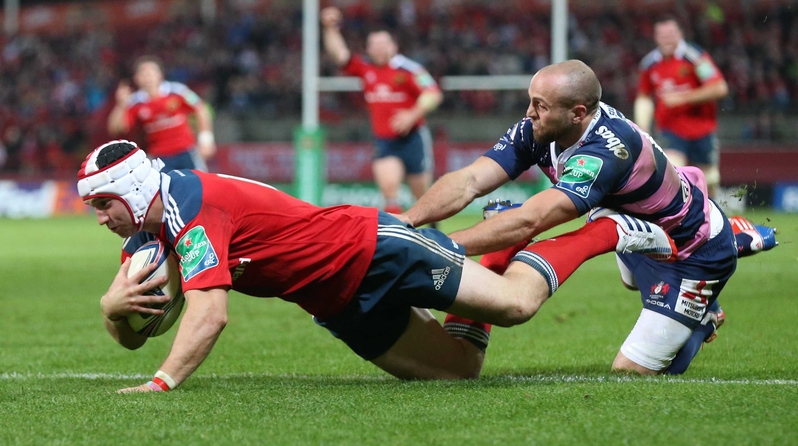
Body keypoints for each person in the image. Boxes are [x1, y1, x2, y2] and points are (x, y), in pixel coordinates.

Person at [78, 140, 676, 392]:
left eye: (103, 203)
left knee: (516, 305)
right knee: (460, 372)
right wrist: (111, 309)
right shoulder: (151, 231)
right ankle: (495, 251)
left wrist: (164, 384)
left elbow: (209, 315)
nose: (100, 217)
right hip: (337, 303)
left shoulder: (191, 207)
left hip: (374, 250)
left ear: (132, 189)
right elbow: (129, 333)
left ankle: (607, 231)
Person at [401, 60, 739, 375]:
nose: (528, 113)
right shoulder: (538, 129)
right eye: (532, 101)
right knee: (628, 271)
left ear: (577, 113)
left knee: (631, 372)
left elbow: (530, 221)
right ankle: (689, 287)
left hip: (693, 250)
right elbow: (470, 180)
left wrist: (441, 245)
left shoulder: (608, 150)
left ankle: (704, 315)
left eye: (541, 106)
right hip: (639, 230)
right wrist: (407, 222)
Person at [321, 7, 443, 220]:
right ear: (368, 48)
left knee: (422, 195)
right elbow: (339, 53)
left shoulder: (409, 69)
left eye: (382, 44)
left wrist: (412, 115)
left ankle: (432, 231)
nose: (378, 49)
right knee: (389, 190)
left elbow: (433, 94)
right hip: (385, 140)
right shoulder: (365, 68)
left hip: (413, 138)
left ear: (393, 46)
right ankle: (396, 239)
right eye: (373, 45)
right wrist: (330, 28)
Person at [634, 16, 729, 200]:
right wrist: (642, 126)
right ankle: (678, 221)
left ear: (680, 34)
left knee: (710, 180)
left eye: (670, 34)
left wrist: (683, 98)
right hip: (670, 130)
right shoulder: (650, 64)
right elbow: (644, 96)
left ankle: (713, 218)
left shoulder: (695, 58)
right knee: (673, 173)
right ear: (655, 37)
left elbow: (719, 88)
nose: (666, 39)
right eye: (662, 35)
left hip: (701, 129)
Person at [107, 55, 216, 172]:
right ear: (136, 78)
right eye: (143, 73)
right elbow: (116, 129)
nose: (148, 77)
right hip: (158, 157)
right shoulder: (134, 102)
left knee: (199, 184)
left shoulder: (177, 91)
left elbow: (200, 109)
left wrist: (206, 139)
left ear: (160, 74)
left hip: (186, 151)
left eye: (151, 72)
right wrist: (120, 105)